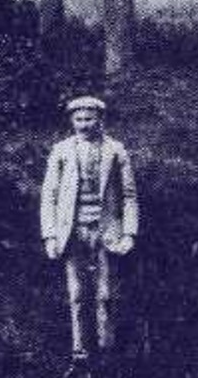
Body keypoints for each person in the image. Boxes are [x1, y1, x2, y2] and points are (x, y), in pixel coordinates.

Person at [39, 95, 139, 359]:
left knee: (105, 293)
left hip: (106, 228)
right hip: (71, 230)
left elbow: (129, 195)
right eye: (78, 119)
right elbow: (49, 195)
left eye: (89, 119)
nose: (83, 125)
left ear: (100, 120)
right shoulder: (61, 150)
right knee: (76, 293)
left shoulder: (115, 150)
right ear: (72, 120)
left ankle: (106, 348)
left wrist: (129, 232)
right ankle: (79, 349)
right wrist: (50, 235)